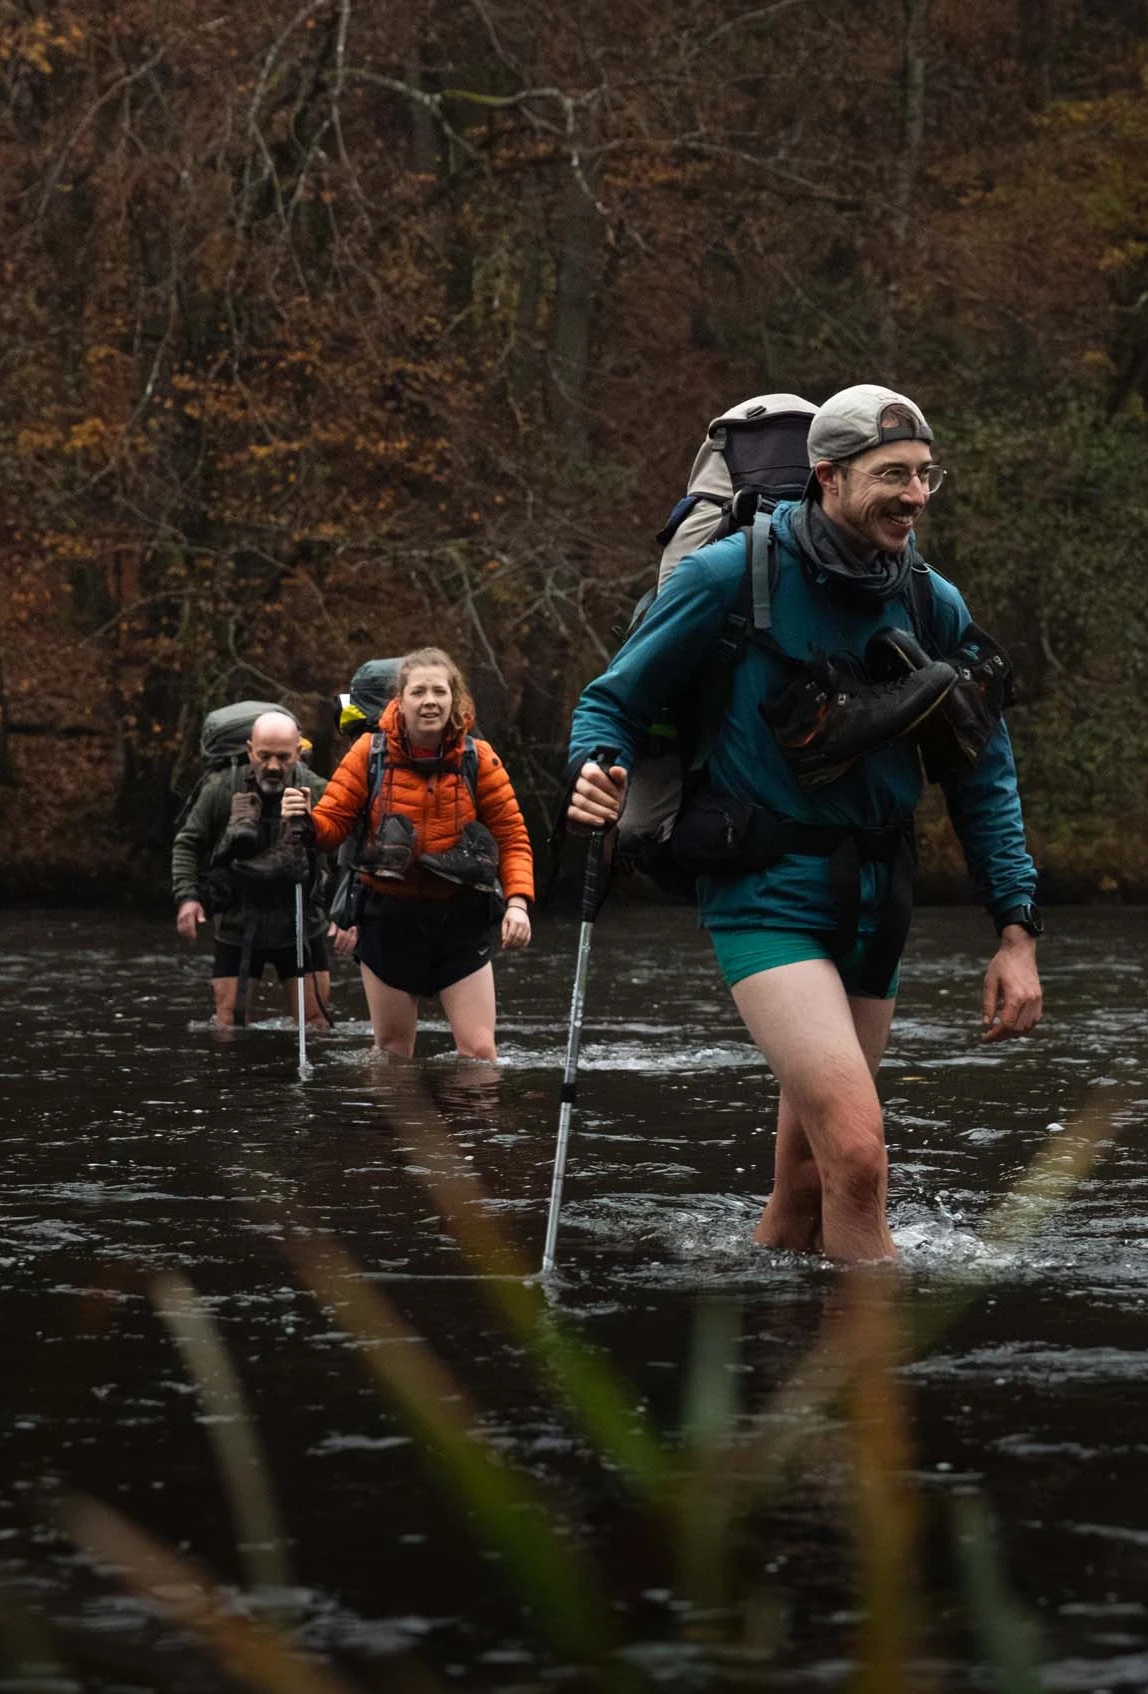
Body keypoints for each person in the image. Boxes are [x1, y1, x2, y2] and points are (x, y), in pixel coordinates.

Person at [565, 384, 1043, 1262]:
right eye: (891, 474)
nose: (914, 495)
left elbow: (985, 773)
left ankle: (783, 1366)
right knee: (858, 1156)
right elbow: (612, 701)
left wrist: (1014, 929)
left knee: (807, 1191)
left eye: (926, 475)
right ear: (827, 476)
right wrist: (595, 769)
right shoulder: (727, 579)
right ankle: (871, 1383)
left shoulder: (935, 604)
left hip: (877, 896)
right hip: (764, 890)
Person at [308, 648, 535, 1060]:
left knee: (481, 1052)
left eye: (439, 691)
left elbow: (512, 836)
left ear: (454, 699)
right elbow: (331, 825)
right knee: (393, 1052)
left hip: (461, 919)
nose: (430, 700)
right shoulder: (367, 754)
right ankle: (397, 1124)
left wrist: (517, 903)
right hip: (389, 920)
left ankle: (475, 1126)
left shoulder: (478, 759)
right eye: (419, 692)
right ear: (401, 699)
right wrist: (303, 825)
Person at [171, 709, 341, 1030]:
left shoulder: (319, 791)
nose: (273, 766)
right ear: (250, 750)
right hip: (238, 921)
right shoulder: (222, 789)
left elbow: (347, 847)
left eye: (283, 757)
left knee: (316, 1023)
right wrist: (188, 898)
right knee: (228, 1023)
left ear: (299, 753)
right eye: (263, 756)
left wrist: (346, 914)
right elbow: (187, 843)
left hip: (301, 925)